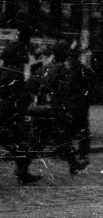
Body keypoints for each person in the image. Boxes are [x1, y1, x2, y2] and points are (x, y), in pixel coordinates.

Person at [1, 28, 43, 184]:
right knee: (24, 142)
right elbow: (19, 96)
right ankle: (22, 173)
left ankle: (22, 172)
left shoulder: (5, 70)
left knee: (19, 143)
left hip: (6, 113)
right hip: (10, 114)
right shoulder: (14, 72)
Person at [40, 40, 88, 175]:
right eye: (66, 50)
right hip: (54, 109)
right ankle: (22, 170)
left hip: (50, 108)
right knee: (42, 141)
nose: (69, 53)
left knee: (62, 138)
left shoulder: (48, 66)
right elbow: (57, 90)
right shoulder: (60, 68)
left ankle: (74, 164)